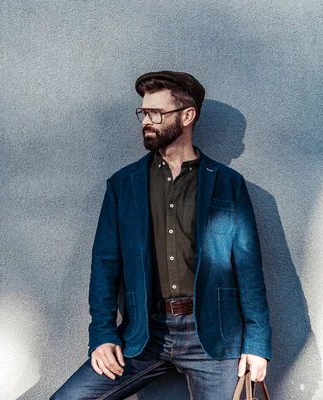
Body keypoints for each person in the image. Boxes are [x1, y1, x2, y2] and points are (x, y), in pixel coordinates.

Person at [50, 71, 272, 400]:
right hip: (144, 335)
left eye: (157, 113)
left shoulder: (227, 183)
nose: (146, 121)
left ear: (187, 116)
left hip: (214, 337)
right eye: (144, 112)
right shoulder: (123, 184)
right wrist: (102, 334)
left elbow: (248, 267)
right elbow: (106, 265)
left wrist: (257, 344)